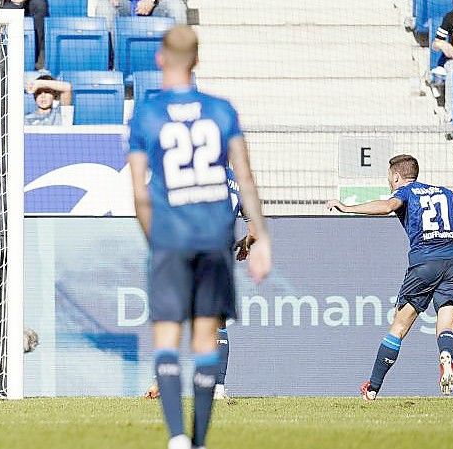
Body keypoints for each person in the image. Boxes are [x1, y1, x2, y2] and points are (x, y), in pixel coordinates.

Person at [127, 25, 270, 449]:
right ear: (197, 61)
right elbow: (244, 177)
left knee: (167, 337)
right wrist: (260, 238)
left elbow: (138, 191)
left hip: (170, 237)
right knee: (207, 338)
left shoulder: (147, 114)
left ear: (160, 60)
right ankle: (201, 440)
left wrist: (156, 240)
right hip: (214, 239)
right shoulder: (222, 110)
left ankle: (177, 438)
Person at [326, 154, 453, 400]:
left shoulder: (406, 193)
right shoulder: (443, 191)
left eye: (389, 177)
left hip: (425, 261)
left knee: (399, 326)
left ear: (396, 176)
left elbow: (387, 206)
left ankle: (373, 388)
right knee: (446, 323)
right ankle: (446, 357)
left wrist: (347, 207)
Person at [144, 167, 258, 401]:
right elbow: (254, 231)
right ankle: (218, 389)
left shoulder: (193, 172)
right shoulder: (239, 182)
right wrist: (245, 244)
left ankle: (160, 382)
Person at [97, 0, 187, 41]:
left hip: (157, 5)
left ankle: (180, 61)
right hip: (127, 5)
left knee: (177, 5)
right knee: (103, 5)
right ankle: (111, 63)